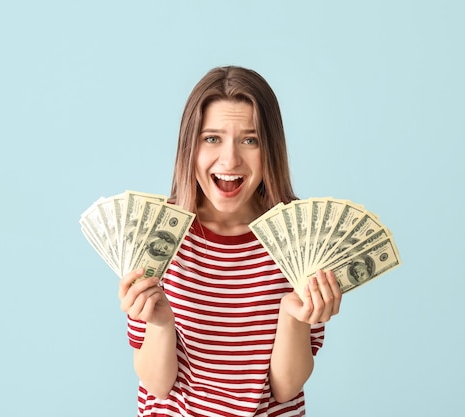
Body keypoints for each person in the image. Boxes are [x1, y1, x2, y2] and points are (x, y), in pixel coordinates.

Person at [118, 66, 342, 417]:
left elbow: (285, 388)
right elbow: (158, 386)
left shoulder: (299, 239)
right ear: (189, 147)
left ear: (271, 149)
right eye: (212, 138)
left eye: (250, 140)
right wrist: (160, 323)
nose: (230, 159)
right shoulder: (157, 232)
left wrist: (294, 317)